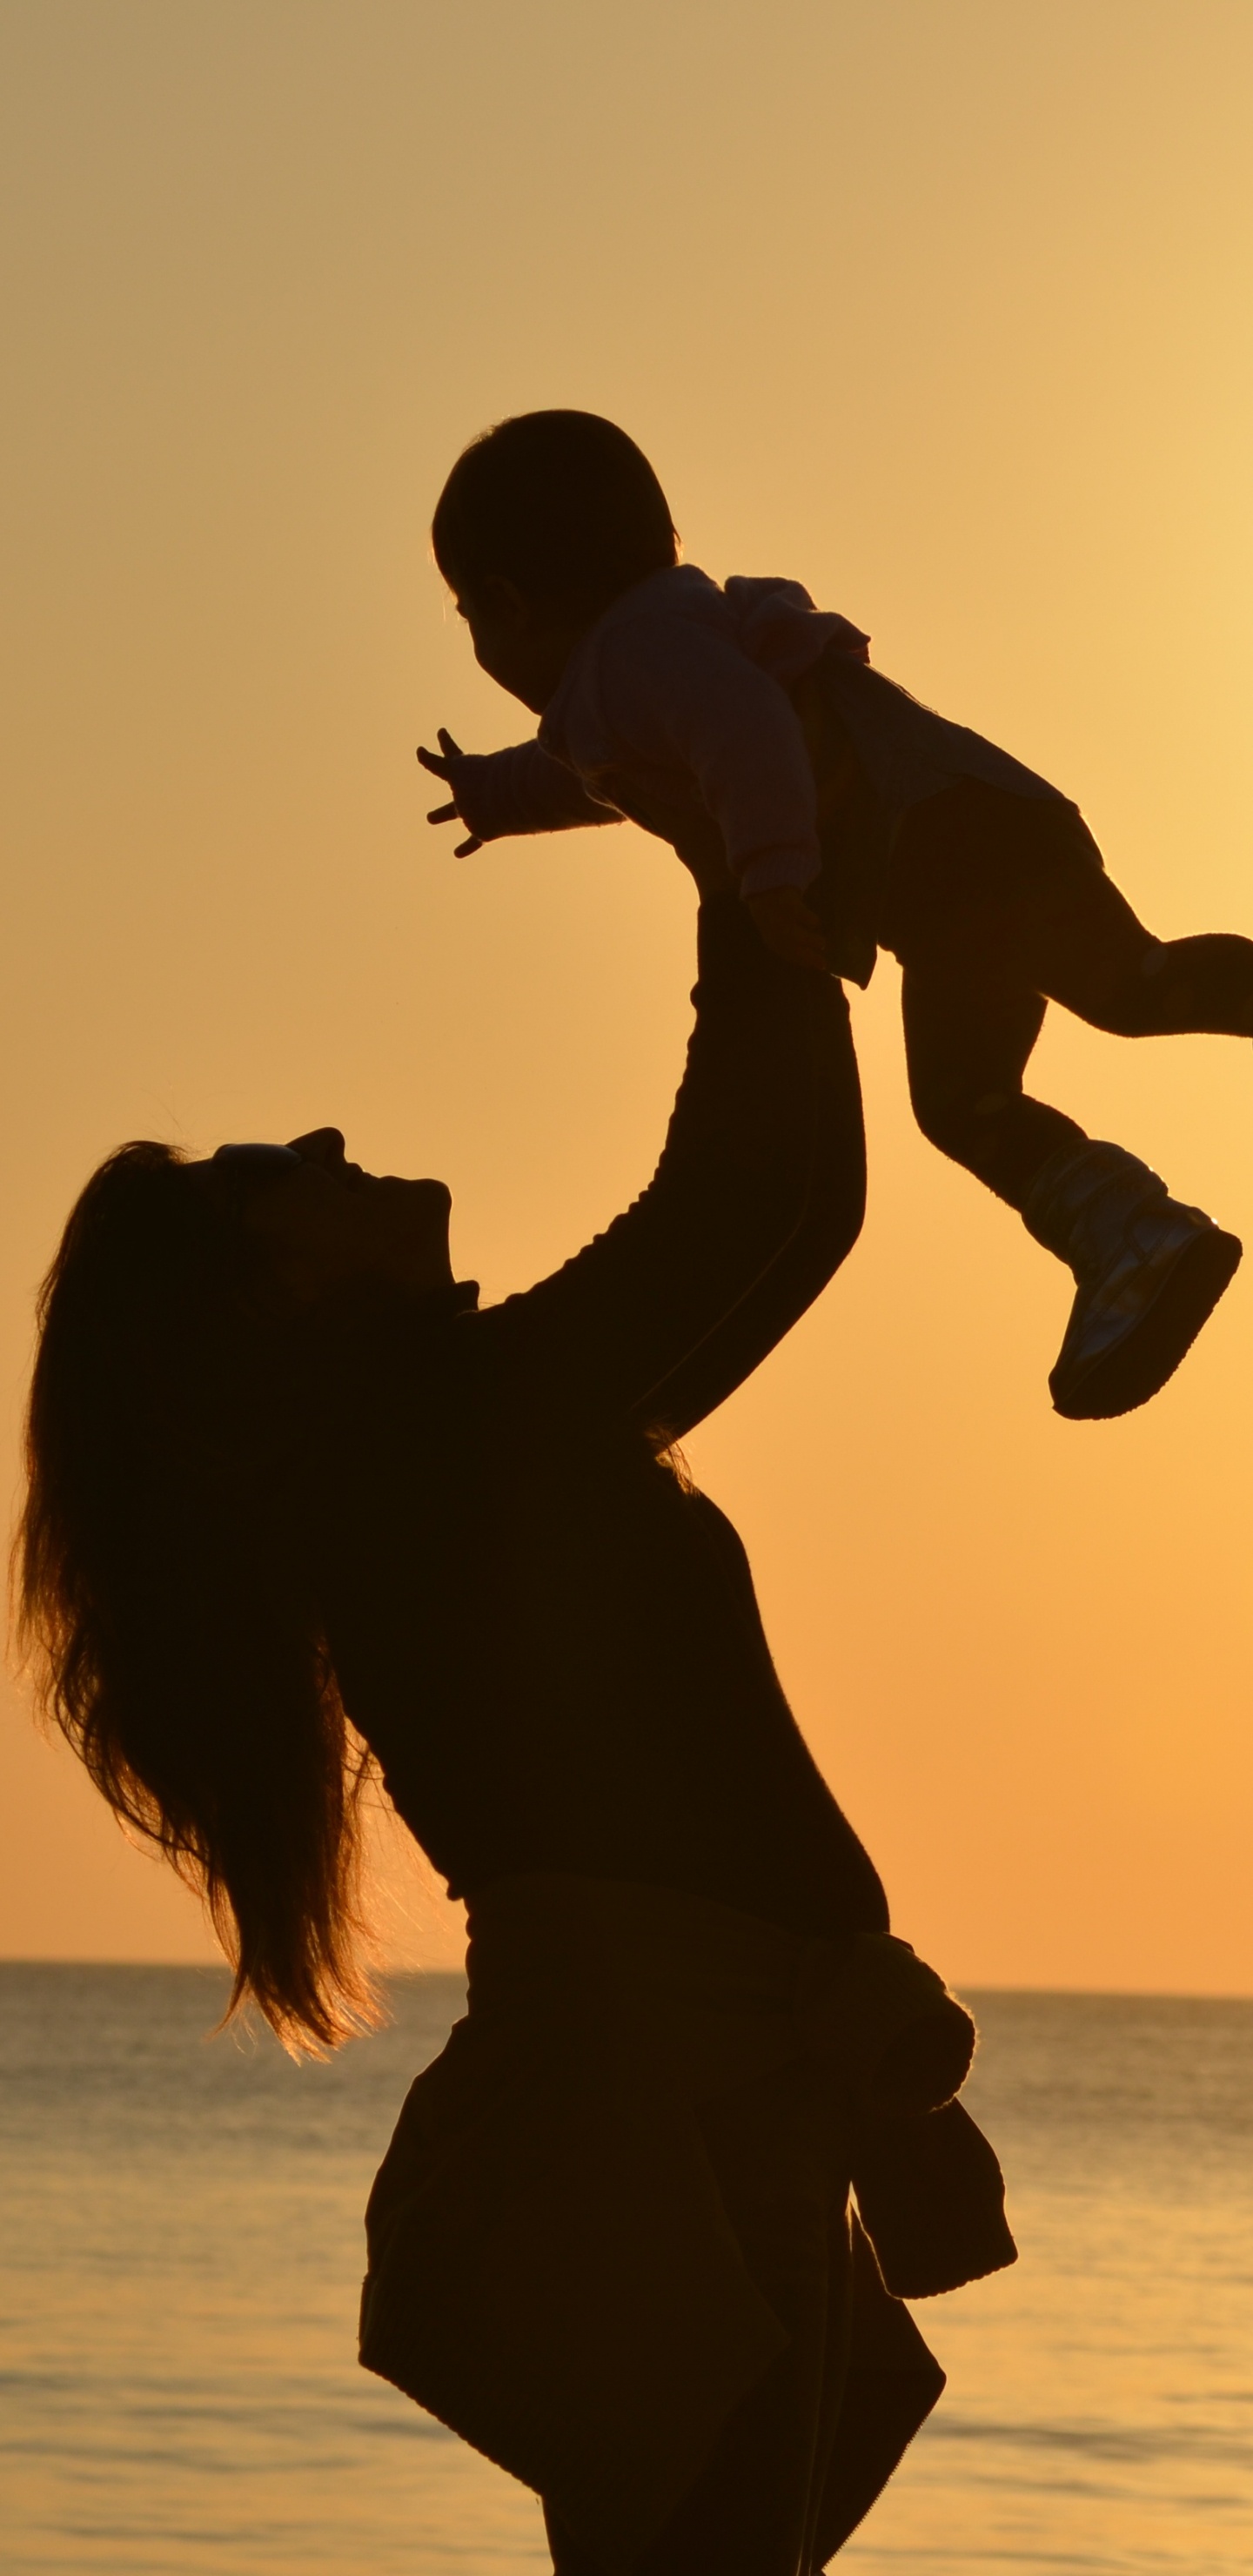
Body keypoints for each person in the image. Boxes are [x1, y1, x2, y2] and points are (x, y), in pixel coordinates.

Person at [17, 853, 1013, 2575]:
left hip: (716, 2091)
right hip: (663, 2107)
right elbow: (748, 1197)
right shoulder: (439, 1445)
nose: (329, 1144)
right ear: (273, 1299)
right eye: (280, 1181)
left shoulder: (470, 1443)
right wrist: (739, 857)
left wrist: (775, 897)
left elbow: (794, 1217)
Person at [420, 408, 1249, 1422]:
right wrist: (493, 798)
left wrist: (769, 876)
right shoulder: (648, 656)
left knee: (1104, 1007)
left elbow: (746, 730)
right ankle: (1135, 1239)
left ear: (504, 600)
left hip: (954, 839)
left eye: (467, 614)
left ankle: (1135, 1235)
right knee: (1034, 1051)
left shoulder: (633, 657)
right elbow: (599, 772)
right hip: (955, 872)